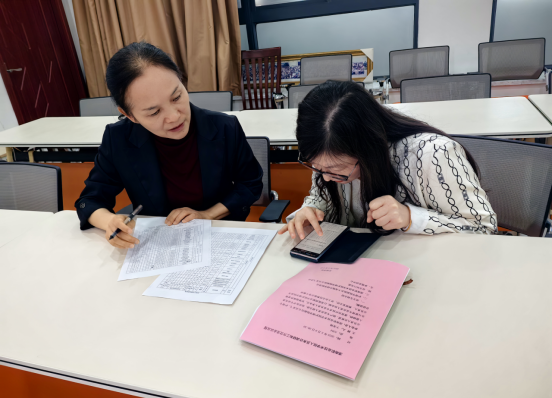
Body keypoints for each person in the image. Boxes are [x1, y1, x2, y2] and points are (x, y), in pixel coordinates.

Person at [76, 42, 263, 249]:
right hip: (157, 245)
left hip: (217, 236)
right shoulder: (119, 139)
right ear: (129, 115)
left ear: (182, 81)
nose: (174, 117)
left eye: (177, 97)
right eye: (154, 112)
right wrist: (110, 221)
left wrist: (207, 214)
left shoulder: (224, 127)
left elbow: (250, 184)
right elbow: (90, 200)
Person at [278, 81, 497, 239]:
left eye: (336, 169)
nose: (325, 177)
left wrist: (410, 217)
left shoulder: (433, 155)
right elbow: (321, 195)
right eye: (316, 167)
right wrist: (312, 208)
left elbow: (484, 228)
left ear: (368, 150)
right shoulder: (327, 161)